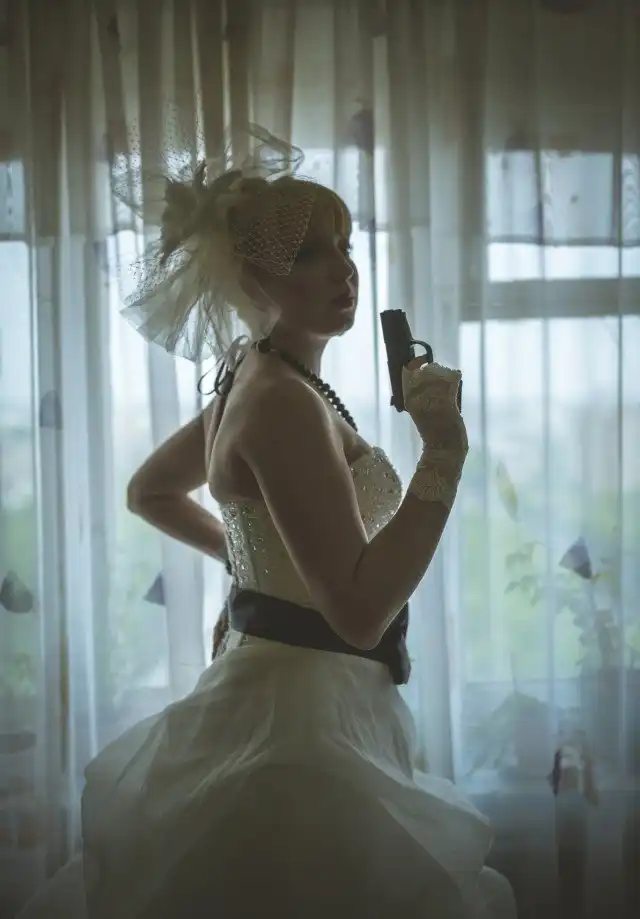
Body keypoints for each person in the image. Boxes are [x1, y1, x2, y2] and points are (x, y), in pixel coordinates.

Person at [17, 126, 517, 919]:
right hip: (301, 727)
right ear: (251, 276)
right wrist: (444, 453)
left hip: (287, 690)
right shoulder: (283, 402)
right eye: (312, 253)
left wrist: (254, 575)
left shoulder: (251, 376)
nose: (345, 269)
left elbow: (151, 491)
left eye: (345, 245)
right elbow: (358, 612)